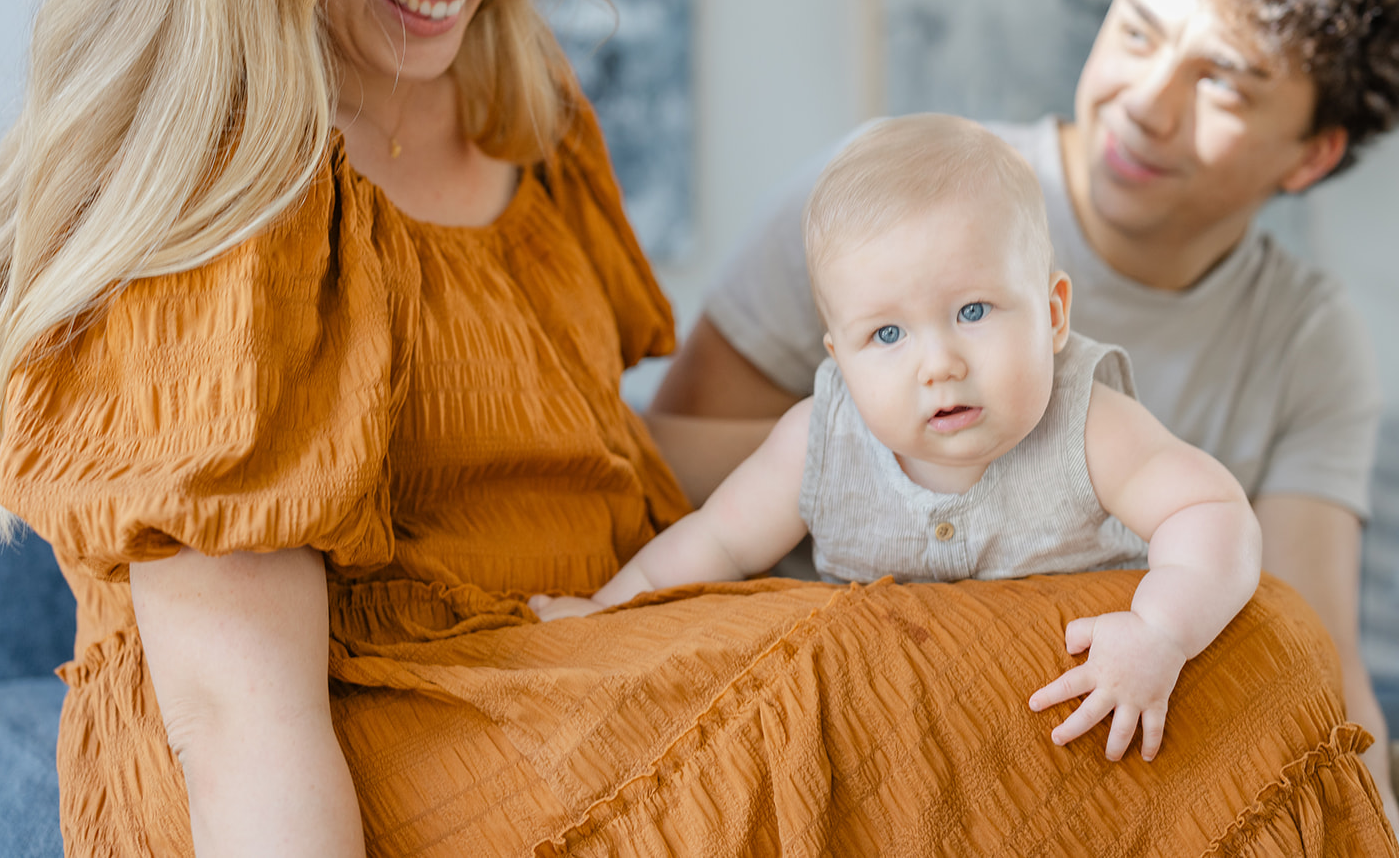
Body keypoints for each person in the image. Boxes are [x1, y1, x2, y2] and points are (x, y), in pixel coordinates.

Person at [0, 0, 1399, 854]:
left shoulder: (520, 113)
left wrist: (987, 455)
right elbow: (240, 719)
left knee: (1241, 638)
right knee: (861, 667)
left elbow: (604, 458)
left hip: (594, 647)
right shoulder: (224, 193)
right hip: (378, 738)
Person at [651, 0, 1399, 858]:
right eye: (1136, 29)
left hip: (1175, 719)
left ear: (1309, 155)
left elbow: (1312, 641)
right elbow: (669, 457)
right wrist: (907, 447)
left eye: (1223, 80)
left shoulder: (1305, 334)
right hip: (924, 726)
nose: (1145, 103)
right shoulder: (884, 214)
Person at [534, 115, 1263, 765]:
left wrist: (1159, 631)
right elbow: (715, 544)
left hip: (1080, 717)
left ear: (1052, 313)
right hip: (909, 734)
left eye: (973, 309)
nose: (938, 363)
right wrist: (605, 614)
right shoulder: (820, 442)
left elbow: (1212, 512)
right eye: (886, 333)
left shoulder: (1091, 425)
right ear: (839, 359)